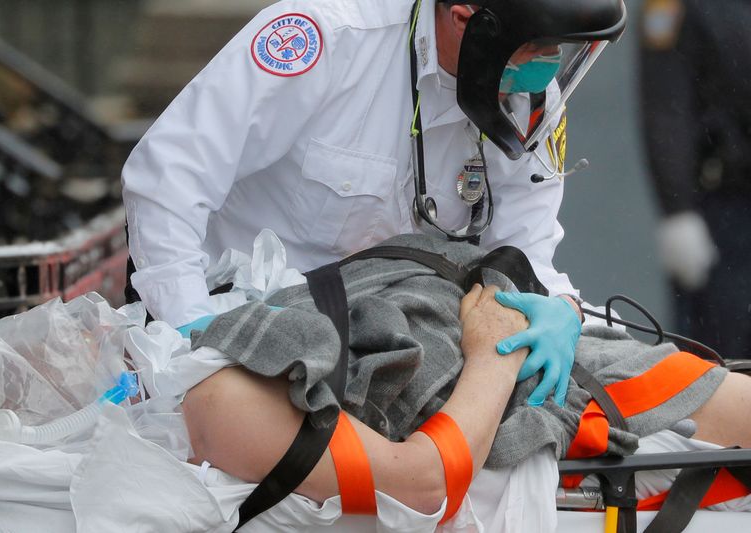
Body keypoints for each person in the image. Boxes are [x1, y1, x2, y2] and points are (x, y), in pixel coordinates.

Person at [122, 0, 627, 408]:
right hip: (251, 327)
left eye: (559, 49)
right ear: (464, 20)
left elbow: (526, 252)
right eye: (537, 47)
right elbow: (167, 179)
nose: (547, 67)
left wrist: (560, 309)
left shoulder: (527, 99)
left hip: (398, 341)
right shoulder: (325, 37)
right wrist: (194, 329)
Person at [181, 232, 751, 528]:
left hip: (492, 335)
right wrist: (493, 352)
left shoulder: (237, 359)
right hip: (519, 383)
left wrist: (559, 312)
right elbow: (425, 482)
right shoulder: (224, 407)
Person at [640, 0, 751, 358]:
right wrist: (677, 210)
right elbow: (666, 104)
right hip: (725, 210)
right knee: (725, 355)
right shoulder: (676, 6)